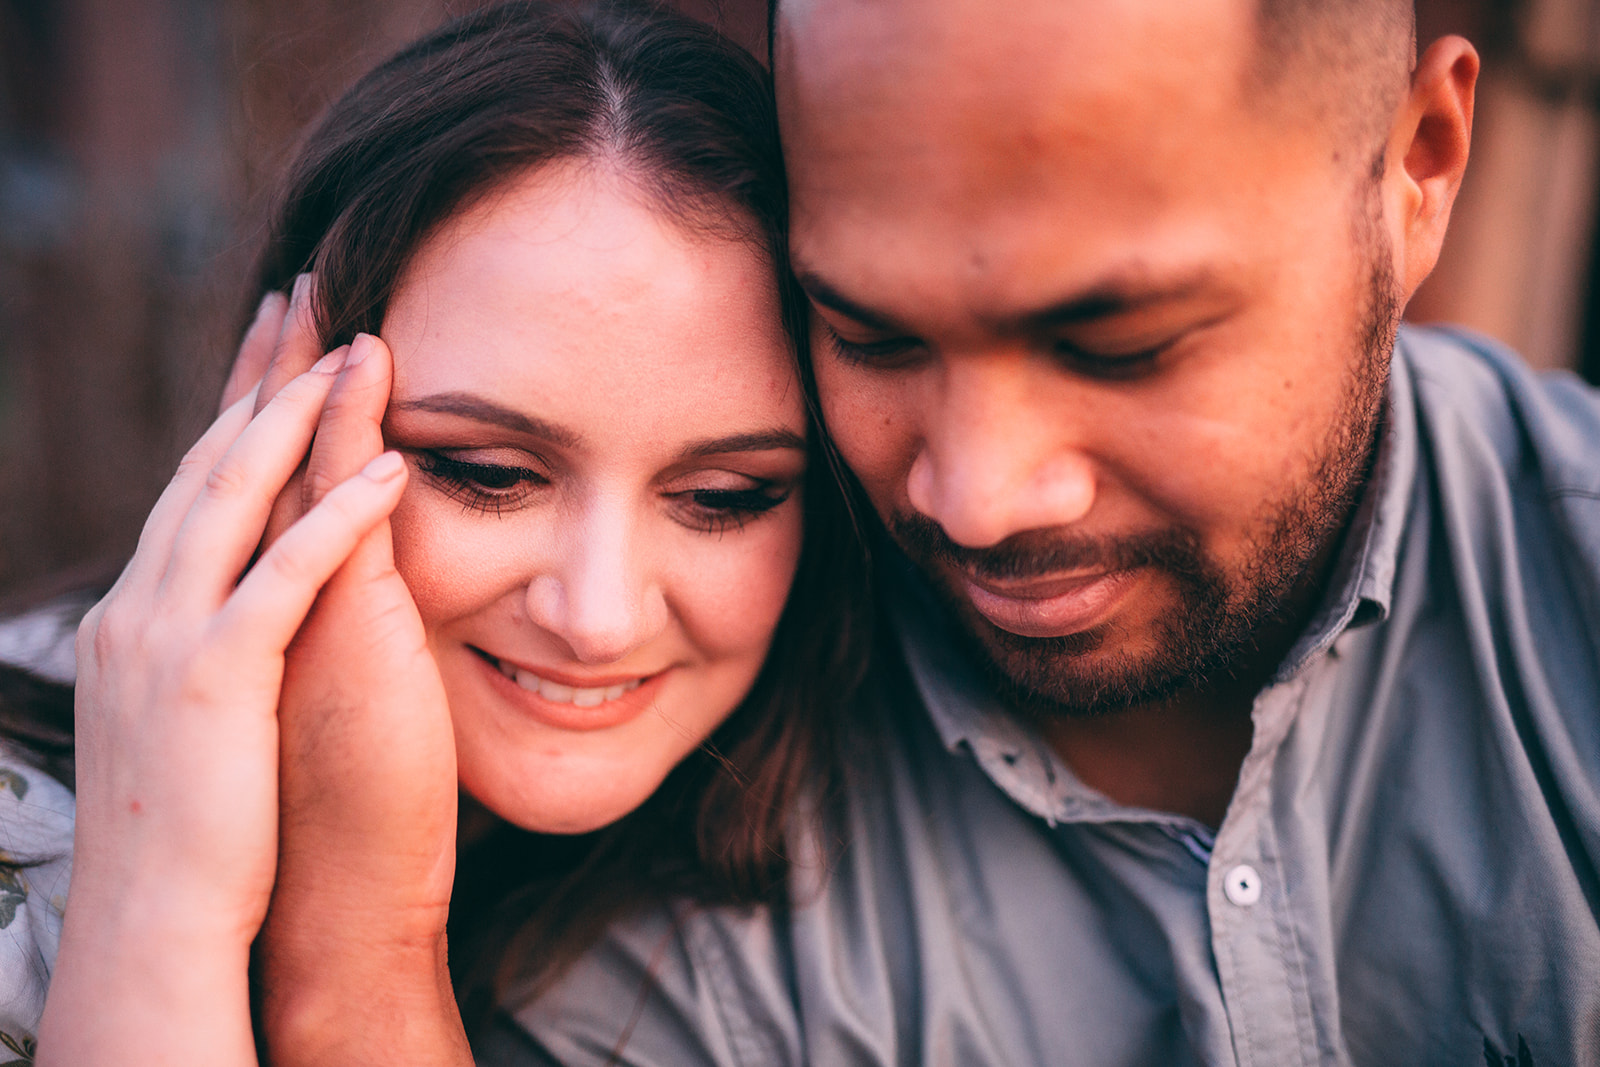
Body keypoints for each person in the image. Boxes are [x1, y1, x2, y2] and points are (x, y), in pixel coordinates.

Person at [408, 0, 1595, 1063]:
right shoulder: (660, 910)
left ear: (1416, 170)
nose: (974, 499)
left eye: (1117, 346)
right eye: (873, 338)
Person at [0, 2, 868, 1063]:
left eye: (723, 495)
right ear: (280, 424)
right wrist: (156, 907)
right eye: (490, 474)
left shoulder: (863, 886)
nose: (597, 618)